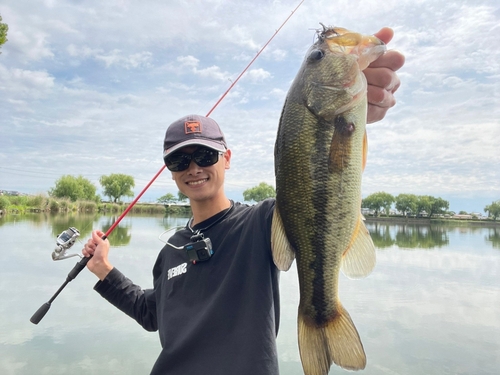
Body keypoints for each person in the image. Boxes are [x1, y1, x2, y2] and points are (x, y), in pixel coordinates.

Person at [82, 28, 405, 375]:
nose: (194, 168)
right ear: (171, 173)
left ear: (227, 158)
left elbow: (316, 185)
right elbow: (151, 314)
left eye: (205, 155)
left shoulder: (262, 223)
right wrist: (103, 270)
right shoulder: (171, 251)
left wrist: (352, 119)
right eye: (179, 161)